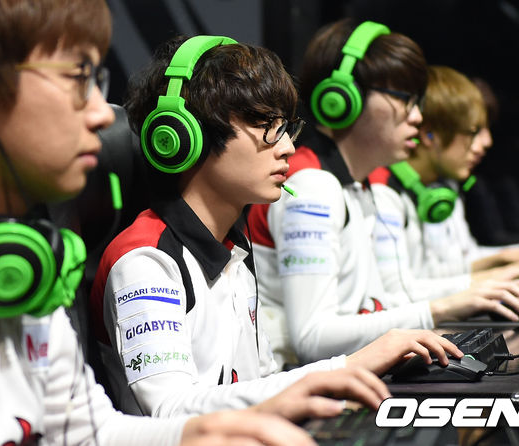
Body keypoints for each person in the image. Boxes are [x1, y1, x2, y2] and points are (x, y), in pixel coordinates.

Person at [0, 2, 381, 444]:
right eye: (78, 79)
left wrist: (219, 428)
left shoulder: (27, 270)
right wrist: (322, 376)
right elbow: (161, 409)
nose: (101, 113)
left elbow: (89, 432)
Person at [89, 33, 462, 418]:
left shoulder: (234, 247)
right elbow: (171, 410)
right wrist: (347, 368)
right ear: (185, 135)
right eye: (267, 126)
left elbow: (260, 380)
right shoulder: (146, 261)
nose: (287, 147)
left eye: (286, 128)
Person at [246, 19, 519, 369]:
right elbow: (312, 339)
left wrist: (477, 287)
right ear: (342, 99)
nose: (417, 117)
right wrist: (443, 307)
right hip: (303, 383)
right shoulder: (312, 187)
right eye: (406, 100)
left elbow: (389, 298)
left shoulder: (359, 186)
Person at [368, 65, 519, 303]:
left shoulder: (444, 187)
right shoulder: (383, 191)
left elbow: (457, 263)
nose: (487, 142)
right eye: (473, 132)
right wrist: (500, 274)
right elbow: (396, 291)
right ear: (429, 135)